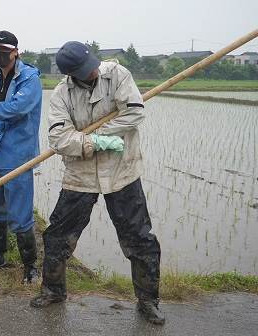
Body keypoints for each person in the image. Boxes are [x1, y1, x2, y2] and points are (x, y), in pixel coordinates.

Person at [30, 41, 165, 325]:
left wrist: (103, 131)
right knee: (57, 236)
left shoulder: (117, 74)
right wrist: (95, 141)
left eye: (91, 66)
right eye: (83, 71)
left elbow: (135, 111)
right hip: (81, 175)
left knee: (140, 238)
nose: (91, 72)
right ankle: (53, 290)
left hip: (121, 171)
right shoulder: (61, 95)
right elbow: (58, 139)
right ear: (71, 74)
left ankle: (148, 300)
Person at [0, 30, 42, 284]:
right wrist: (1, 121)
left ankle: (30, 266)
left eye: (4, 50)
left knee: (20, 211)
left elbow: (21, 107)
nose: (0, 55)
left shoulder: (30, 78)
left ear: (15, 51)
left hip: (18, 154)